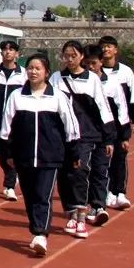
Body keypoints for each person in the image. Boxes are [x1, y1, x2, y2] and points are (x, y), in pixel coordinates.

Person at [0, 53, 80, 256]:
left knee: (43, 195)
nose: (33, 71)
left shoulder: (57, 97)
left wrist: (74, 152)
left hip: (50, 156)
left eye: (37, 68)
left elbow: (71, 127)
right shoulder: (17, 96)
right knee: (29, 196)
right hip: (23, 155)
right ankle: (36, 227)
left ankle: (40, 234)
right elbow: (5, 128)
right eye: (30, 68)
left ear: (46, 73)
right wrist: (7, 153)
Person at [50, 41, 116, 238]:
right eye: (66, 56)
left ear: (81, 57)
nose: (69, 59)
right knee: (64, 175)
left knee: (80, 170)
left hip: (86, 135)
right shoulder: (56, 78)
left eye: (73, 55)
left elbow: (103, 108)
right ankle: (70, 212)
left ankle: (81, 216)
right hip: (62, 135)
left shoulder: (92, 80)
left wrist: (109, 138)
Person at [84, 44, 131, 225]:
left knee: (100, 170)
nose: (90, 67)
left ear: (101, 62)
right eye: (87, 63)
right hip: (84, 135)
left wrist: (123, 135)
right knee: (83, 172)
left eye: (93, 63)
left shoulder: (112, 84)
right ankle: (83, 205)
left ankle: (98, 206)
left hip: (105, 135)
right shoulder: (80, 82)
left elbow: (122, 110)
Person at [98, 35, 134, 209]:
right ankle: (108, 192)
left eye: (109, 46)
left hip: (119, 123)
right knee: (104, 158)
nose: (106, 49)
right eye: (103, 46)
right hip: (101, 124)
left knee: (120, 157)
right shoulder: (96, 72)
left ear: (116, 50)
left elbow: (133, 96)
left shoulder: (125, 72)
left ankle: (120, 192)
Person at [0, 40, 28, 201]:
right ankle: (12, 173)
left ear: (17, 54)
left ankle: (9, 185)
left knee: (15, 150)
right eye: (4, 49)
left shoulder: (23, 74)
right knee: (1, 152)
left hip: (17, 121)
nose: (8, 52)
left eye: (11, 50)